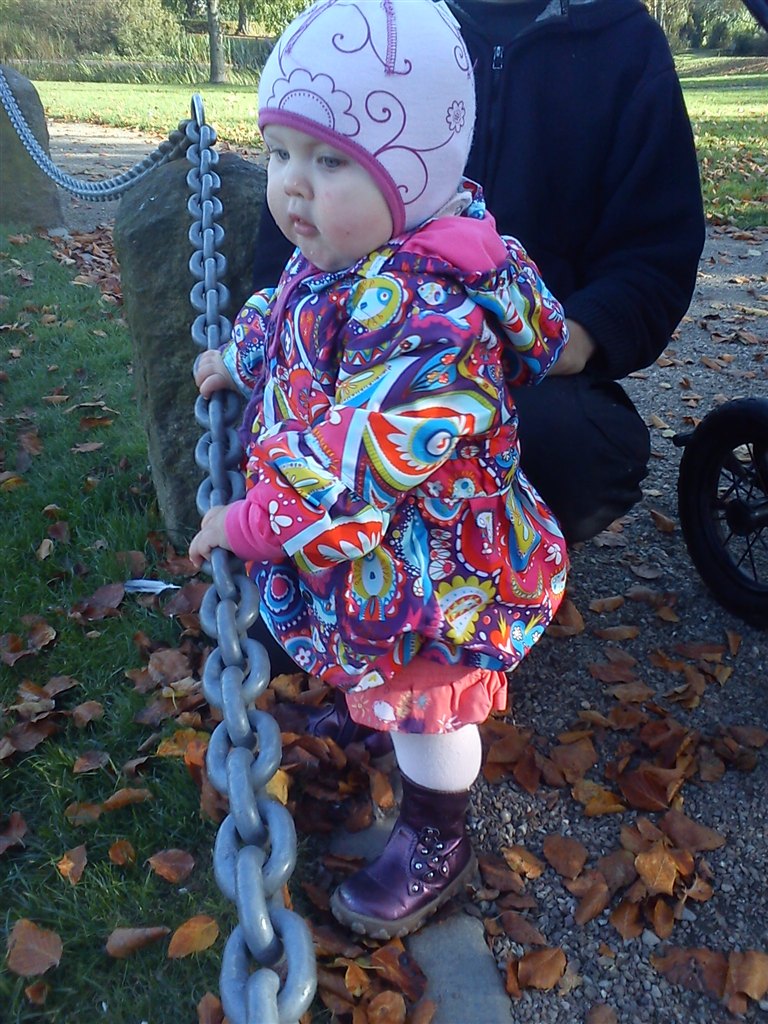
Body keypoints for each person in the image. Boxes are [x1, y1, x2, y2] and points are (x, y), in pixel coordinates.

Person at [190, 0, 571, 939]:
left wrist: (247, 524)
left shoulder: (429, 315)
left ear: (412, 174)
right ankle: (371, 711)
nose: (293, 185)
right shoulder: (350, 248)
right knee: (384, 671)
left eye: (329, 161)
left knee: (432, 709)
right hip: (382, 558)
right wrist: (240, 357)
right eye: (279, 152)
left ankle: (440, 833)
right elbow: (291, 311)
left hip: (439, 566)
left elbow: (355, 465)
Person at [251, 0, 707, 544]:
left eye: (327, 161)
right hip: (351, 342)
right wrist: (256, 344)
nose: (293, 175)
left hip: (525, 367)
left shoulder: (624, 41)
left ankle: (471, 561)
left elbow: (655, 249)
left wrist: (580, 335)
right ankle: (317, 529)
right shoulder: (372, 24)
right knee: (291, 411)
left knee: (572, 450)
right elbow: (290, 247)